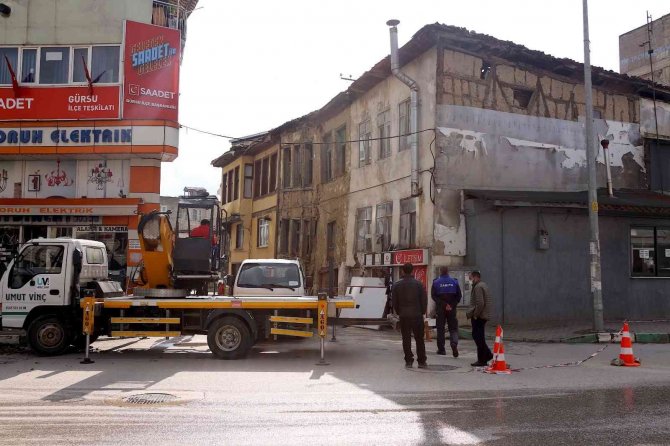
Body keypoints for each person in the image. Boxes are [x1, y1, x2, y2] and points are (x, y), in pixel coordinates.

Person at [392, 263, 428, 369]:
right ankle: (421, 361)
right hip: (417, 315)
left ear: (403, 271)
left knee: (406, 338)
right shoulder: (419, 284)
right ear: (412, 271)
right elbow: (424, 300)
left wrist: (399, 312)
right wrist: (422, 312)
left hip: (404, 315)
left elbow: (395, 302)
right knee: (419, 339)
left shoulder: (397, 285)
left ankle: (408, 360)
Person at [432, 266, 462, 357]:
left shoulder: (436, 282)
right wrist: (451, 305)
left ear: (441, 272)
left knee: (440, 329)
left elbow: (434, 296)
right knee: (453, 328)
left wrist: (444, 305)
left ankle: (441, 349)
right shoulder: (454, 281)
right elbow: (459, 296)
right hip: (452, 309)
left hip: (440, 309)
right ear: (448, 272)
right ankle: (454, 343)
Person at [466, 270, 494, 367]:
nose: (470, 280)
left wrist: (475, 315)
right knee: (479, 337)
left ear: (475, 277)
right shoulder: (483, 285)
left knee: (478, 337)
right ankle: (486, 355)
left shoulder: (478, 287)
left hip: (479, 316)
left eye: (470, 278)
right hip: (484, 315)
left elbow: (480, 303)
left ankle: (483, 358)